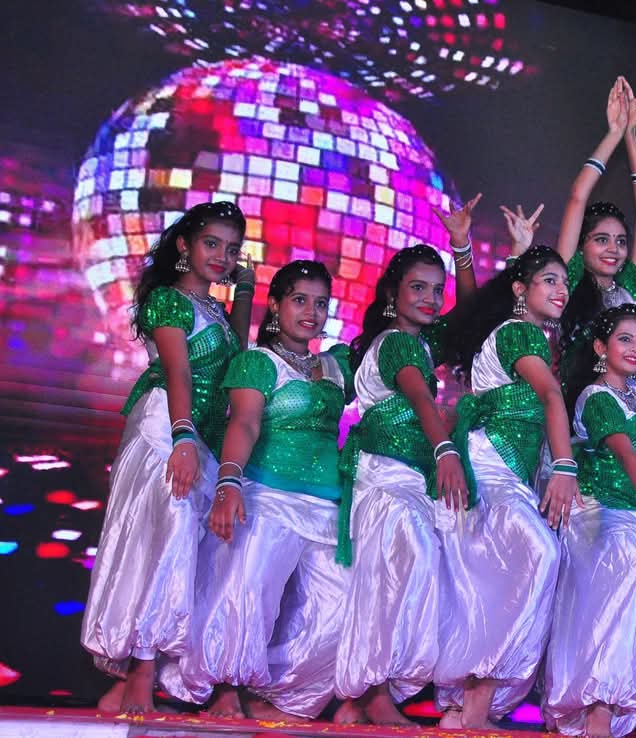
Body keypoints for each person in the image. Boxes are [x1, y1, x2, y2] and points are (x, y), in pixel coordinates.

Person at [157, 260, 351, 721]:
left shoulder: (337, 364)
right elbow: (244, 423)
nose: (311, 312)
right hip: (266, 496)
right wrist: (228, 482)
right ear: (276, 305)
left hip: (327, 506)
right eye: (300, 300)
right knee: (246, 594)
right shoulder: (258, 362)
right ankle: (226, 686)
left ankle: (275, 693)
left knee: (338, 609)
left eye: (320, 303)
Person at [81, 201, 252, 713]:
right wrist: (182, 439)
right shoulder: (168, 301)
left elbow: (237, 358)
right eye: (211, 243)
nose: (222, 256)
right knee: (164, 545)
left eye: (232, 249)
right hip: (165, 430)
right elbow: (178, 372)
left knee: (183, 555)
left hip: (199, 436)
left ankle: (134, 681)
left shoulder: (213, 310)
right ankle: (138, 673)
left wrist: (245, 290)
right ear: (184, 245)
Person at [334, 195, 480, 725]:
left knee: (407, 576)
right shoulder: (396, 343)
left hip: (407, 481)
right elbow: (420, 397)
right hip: (384, 478)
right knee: (395, 574)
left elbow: (470, 316)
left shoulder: (418, 340)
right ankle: (373, 692)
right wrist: (446, 449)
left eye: (436, 290)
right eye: (418, 288)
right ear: (393, 293)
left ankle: (358, 703)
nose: (431, 298)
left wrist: (461, 246)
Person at [434, 245, 581, 729]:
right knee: (539, 556)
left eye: (564, 282)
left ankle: (463, 708)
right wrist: (564, 467)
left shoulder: (522, 334)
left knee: (496, 580)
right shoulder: (520, 332)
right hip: (489, 467)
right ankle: (473, 705)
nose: (562, 290)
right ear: (521, 289)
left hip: (503, 471)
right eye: (550, 280)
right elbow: (551, 395)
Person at [543, 293, 636, 737]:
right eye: (624, 340)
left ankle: (608, 710)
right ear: (601, 348)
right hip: (599, 514)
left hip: (633, 512)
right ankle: (596, 710)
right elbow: (624, 453)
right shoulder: (596, 397)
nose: (635, 349)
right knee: (624, 577)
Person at [548, 77, 636, 385]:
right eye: (601, 239)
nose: (614, 249)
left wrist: (632, 136)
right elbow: (577, 197)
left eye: (621, 241)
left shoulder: (631, 288)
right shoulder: (567, 280)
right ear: (581, 245)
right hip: (579, 404)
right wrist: (614, 134)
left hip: (631, 402)